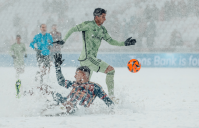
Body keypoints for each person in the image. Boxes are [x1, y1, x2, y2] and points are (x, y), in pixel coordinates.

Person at [53, 8, 136, 99]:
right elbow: (73, 29)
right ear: (96, 17)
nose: (105, 19)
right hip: (88, 58)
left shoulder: (103, 30)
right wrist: (64, 40)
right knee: (110, 71)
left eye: (105, 17)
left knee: (83, 85)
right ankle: (112, 97)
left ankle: (70, 101)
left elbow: (111, 41)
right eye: (103, 17)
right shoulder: (88, 25)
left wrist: (124, 43)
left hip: (86, 60)